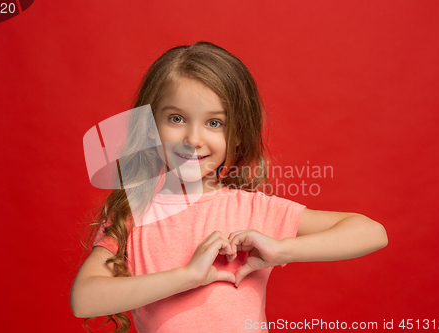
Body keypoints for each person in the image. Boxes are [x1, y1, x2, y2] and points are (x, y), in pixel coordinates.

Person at [70, 41, 388, 333]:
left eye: (214, 123)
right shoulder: (133, 214)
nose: (193, 139)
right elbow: (84, 298)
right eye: (177, 119)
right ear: (151, 127)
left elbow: (372, 232)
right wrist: (187, 277)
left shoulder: (249, 209)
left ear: (235, 135)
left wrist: (281, 250)